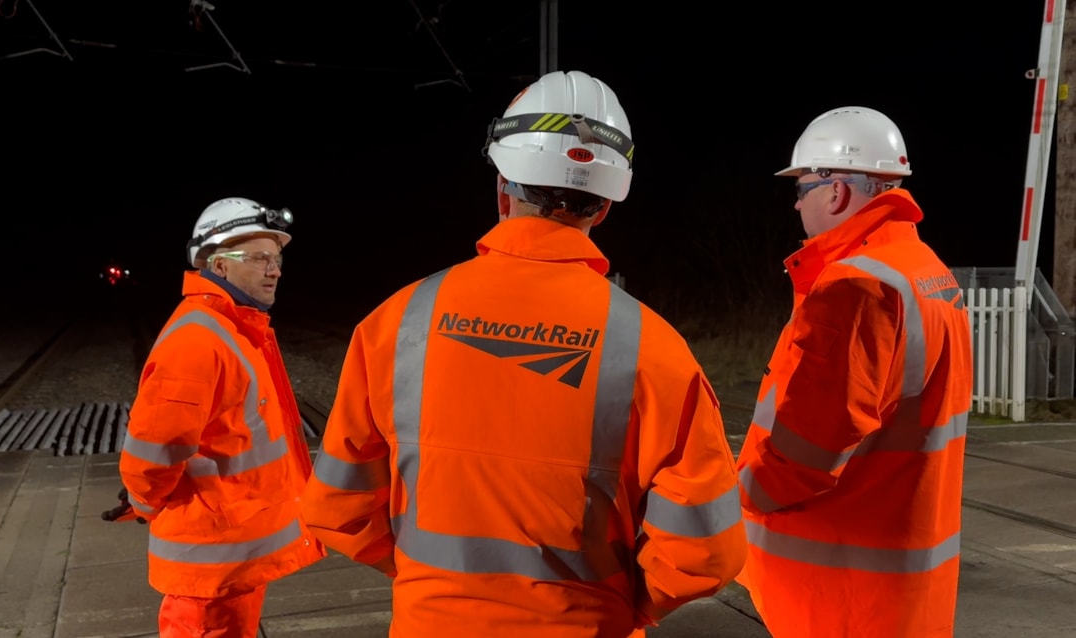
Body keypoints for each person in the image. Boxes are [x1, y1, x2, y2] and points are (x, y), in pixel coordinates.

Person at [298, 69, 747, 637]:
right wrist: (629, 605)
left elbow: (338, 508)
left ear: (502, 185)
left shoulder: (397, 322)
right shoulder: (653, 348)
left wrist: (427, 582)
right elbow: (707, 550)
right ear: (605, 206)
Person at [734, 106, 974, 637]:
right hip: (906, 582)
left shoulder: (855, 288)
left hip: (840, 594)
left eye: (801, 189)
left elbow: (804, 454)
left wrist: (728, 500)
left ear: (836, 192)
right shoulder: (928, 273)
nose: (797, 204)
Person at [115, 196, 326, 638]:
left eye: (278, 258)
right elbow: (153, 452)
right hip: (208, 565)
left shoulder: (235, 329)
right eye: (259, 258)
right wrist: (143, 503)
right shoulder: (198, 339)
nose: (275, 269)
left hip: (232, 555)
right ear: (218, 265)